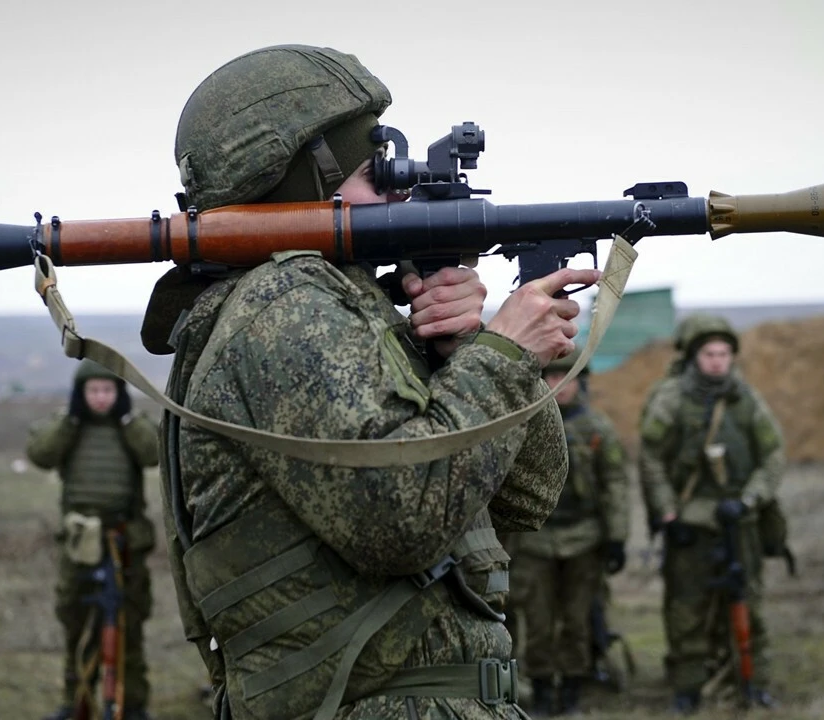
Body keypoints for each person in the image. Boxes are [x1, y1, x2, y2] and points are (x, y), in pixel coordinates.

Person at [146, 45, 600, 719]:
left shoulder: (350, 307)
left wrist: (468, 347)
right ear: (302, 184)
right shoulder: (283, 310)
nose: (399, 191)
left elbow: (525, 499)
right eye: (373, 172)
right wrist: (504, 354)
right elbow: (401, 519)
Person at [637, 314, 786, 714]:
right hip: (690, 526)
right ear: (693, 356)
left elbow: (773, 455)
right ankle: (687, 688)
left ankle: (753, 683)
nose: (718, 361)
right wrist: (668, 513)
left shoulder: (746, 400)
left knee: (747, 605)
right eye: (709, 353)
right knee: (687, 611)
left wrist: (750, 500)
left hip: (739, 522)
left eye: (724, 353)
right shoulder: (670, 399)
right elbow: (650, 458)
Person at [26, 359, 160, 720]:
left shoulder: (131, 426)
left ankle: (132, 706)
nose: (100, 398)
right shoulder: (69, 426)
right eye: (93, 391)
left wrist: (129, 420)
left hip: (124, 543)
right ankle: (76, 703)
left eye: (107, 390)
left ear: (118, 393)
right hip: (80, 545)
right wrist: (70, 420)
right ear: (81, 393)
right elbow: (40, 453)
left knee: (128, 629)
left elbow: (153, 453)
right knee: (78, 625)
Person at [515, 348, 630, 716]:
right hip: (534, 540)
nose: (559, 385)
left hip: (584, 538)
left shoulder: (598, 428)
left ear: (581, 382)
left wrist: (616, 537)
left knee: (578, 618)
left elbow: (615, 483)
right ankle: (543, 687)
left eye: (568, 378)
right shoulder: (524, 424)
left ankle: (574, 689)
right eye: (550, 378)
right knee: (538, 619)